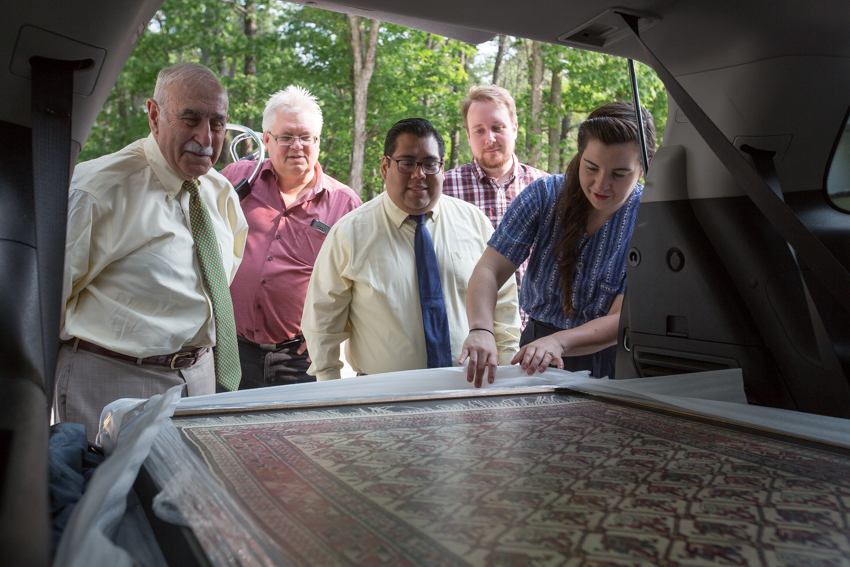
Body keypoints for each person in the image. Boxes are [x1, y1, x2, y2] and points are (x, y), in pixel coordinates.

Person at [55, 63, 248, 441]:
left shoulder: (220, 193)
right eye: (190, 119)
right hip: (113, 381)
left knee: (187, 499)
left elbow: (220, 283)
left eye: (217, 123)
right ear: (154, 115)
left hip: (200, 379)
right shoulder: (97, 190)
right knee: (111, 499)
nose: (205, 138)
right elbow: (44, 304)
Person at [301, 118, 520, 380]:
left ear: (441, 167)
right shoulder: (349, 234)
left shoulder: (475, 224)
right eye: (407, 164)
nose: (419, 174)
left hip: (470, 386)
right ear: (385, 166)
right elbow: (322, 324)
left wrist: (507, 377)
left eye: (430, 164)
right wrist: (331, 392)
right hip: (382, 397)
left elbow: (504, 307)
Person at [460, 102, 656, 387]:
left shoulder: (649, 218)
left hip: (612, 363)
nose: (601, 185)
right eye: (591, 167)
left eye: (619, 174)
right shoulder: (544, 194)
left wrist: (560, 343)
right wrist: (480, 329)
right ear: (580, 154)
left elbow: (621, 317)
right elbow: (490, 268)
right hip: (535, 356)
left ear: (643, 167)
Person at [221, 86, 361, 389]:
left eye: (306, 137)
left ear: (318, 142)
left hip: (299, 358)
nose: (297, 146)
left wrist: (333, 333)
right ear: (267, 140)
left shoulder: (345, 204)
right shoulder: (235, 179)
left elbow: (362, 281)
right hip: (229, 348)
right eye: (286, 136)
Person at [443, 85, 547, 326]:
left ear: (514, 128)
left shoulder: (546, 188)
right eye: (479, 130)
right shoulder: (443, 189)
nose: (489, 138)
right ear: (468, 137)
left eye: (497, 127)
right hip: (469, 332)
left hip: (535, 334)